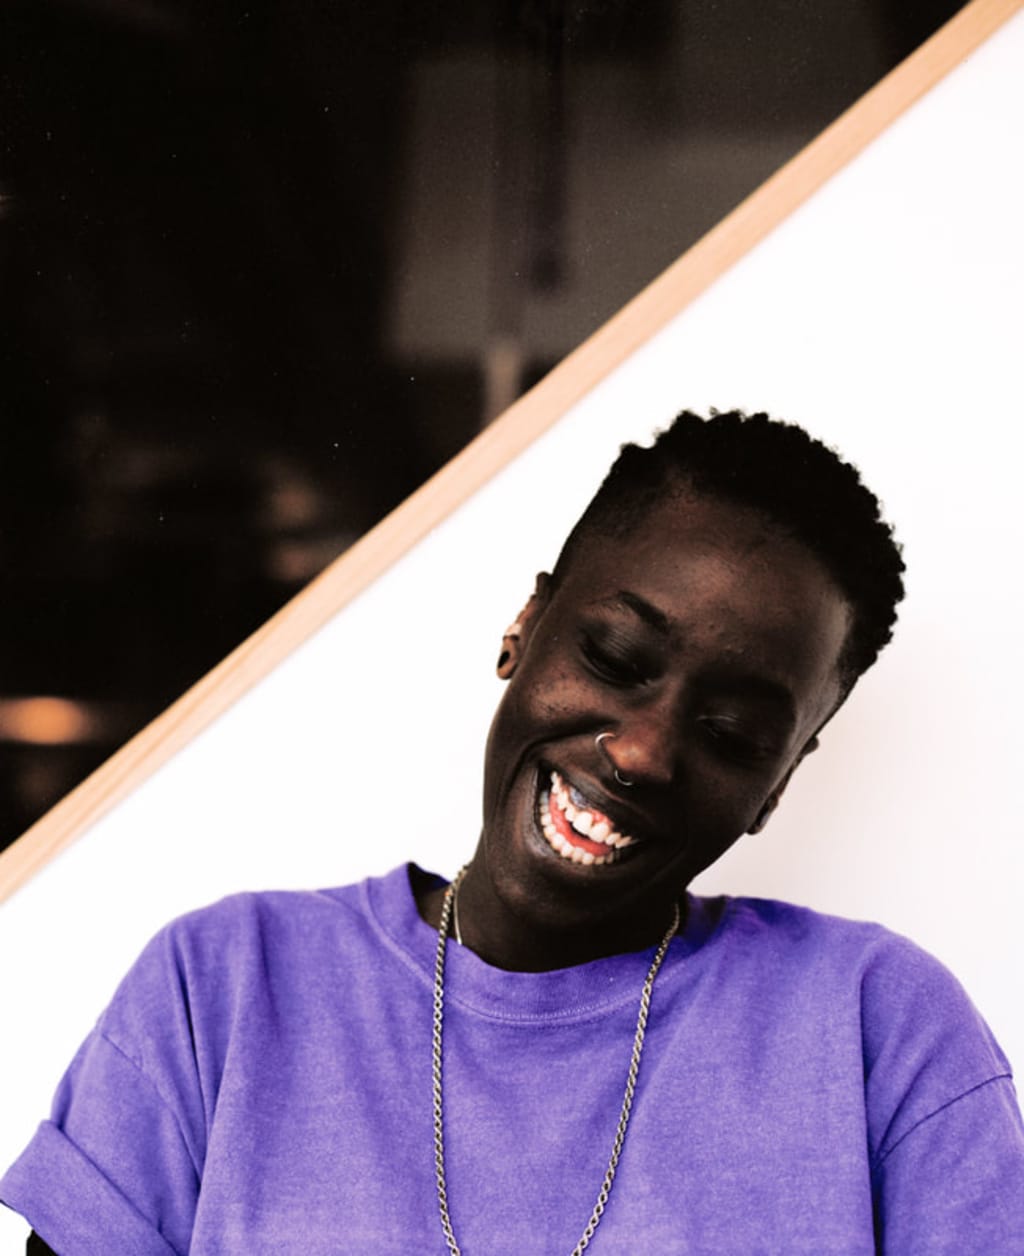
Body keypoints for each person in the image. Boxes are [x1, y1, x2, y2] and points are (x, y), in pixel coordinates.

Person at [3, 410, 1023, 1253]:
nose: (643, 752)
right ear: (524, 630)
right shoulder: (223, 987)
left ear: (777, 783)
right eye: (615, 657)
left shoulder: (879, 1029)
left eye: (732, 734)